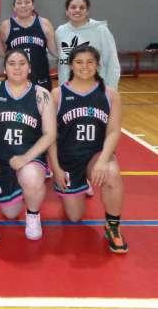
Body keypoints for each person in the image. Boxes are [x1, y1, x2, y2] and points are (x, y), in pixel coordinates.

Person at [48, 45, 128, 253]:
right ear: (70, 65)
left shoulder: (110, 95)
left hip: (95, 155)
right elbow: (50, 137)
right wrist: (55, 168)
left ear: (98, 65)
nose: (85, 66)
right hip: (68, 159)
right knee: (75, 216)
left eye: (90, 62)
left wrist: (102, 161)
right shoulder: (57, 95)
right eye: (79, 62)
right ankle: (80, 185)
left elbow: (113, 132)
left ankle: (113, 227)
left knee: (111, 172)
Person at [0, 49, 56, 240]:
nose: (17, 68)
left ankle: (33, 215)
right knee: (10, 213)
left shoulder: (41, 94)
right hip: (0, 161)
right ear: (4, 68)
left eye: (22, 63)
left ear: (29, 68)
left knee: (31, 177)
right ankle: (24, 190)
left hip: (29, 157)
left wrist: (25, 158)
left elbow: (50, 134)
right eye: (12, 63)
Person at [55, 0, 120, 90]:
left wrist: (111, 89)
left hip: (96, 89)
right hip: (67, 89)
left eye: (82, 8)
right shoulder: (60, 31)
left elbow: (112, 62)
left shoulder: (101, 30)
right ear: (67, 12)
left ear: (87, 12)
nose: (77, 10)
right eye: (73, 7)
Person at [0, 0, 57, 91]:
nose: (23, 5)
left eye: (27, 2)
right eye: (19, 3)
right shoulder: (6, 26)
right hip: (16, 78)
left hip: (40, 77)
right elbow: (3, 53)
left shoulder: (44, 23)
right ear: (14, 7)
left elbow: (55, 51)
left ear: (33, 5)